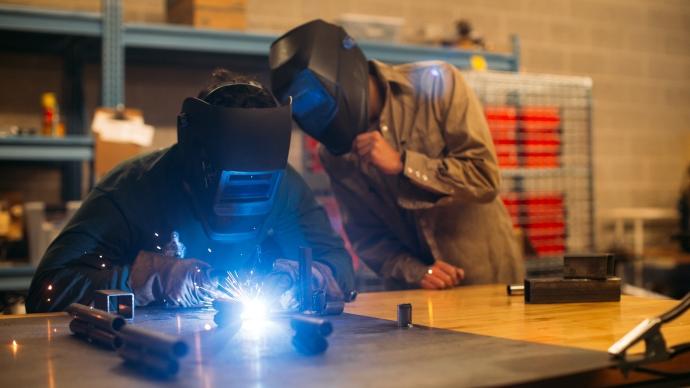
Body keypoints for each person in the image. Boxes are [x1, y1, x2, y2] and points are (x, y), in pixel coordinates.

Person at [26, 69, 355, 313]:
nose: (244, 196)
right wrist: (145, 277)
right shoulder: (131, 190)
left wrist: (316, 277)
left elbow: (341, 267)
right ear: (195, 157)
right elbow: (46, 291)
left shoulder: (285, 186)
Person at [269, 20, 523, 290]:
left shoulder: (437, 86)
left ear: (342, 72)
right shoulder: (335, 156)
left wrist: (403, 164)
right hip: (418, 296)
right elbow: (367, 237)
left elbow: (485, 179)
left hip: (489, 282)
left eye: (318, 102)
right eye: (305, 110)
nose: (317, 116)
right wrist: (417, 272)